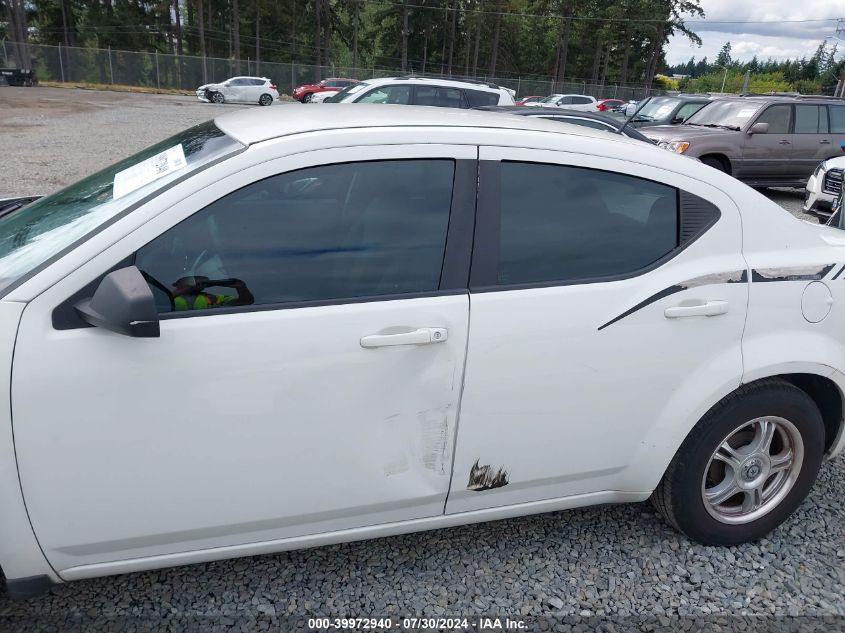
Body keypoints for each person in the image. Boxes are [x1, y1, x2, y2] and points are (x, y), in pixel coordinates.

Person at [172, 276, 254, 311]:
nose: (195, 284)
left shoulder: (213, 299)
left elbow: (246, 301)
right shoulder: (169, 298)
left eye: (202, 283)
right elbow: (164, 302)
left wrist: (242, 288)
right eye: (190, 281)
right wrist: (185, 289)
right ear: (176, 285)